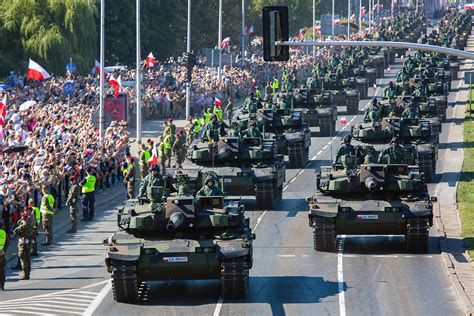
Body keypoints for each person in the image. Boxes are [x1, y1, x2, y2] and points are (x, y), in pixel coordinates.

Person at [12, 212, 34, 280]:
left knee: (23, 259)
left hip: (22, 243)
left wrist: (20, 221)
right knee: (28, 258)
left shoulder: (22, 226)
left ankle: (25, 275)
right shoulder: (30, 224)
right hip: (29, 242)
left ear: (23, 218)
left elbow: (15, 231)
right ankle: (28, 273)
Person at [0, 219, 8, 289]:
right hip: (1, 255)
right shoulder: (3, 233)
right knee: (2, 270)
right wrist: (4, 251)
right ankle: (2, 285)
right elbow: (7, 243)